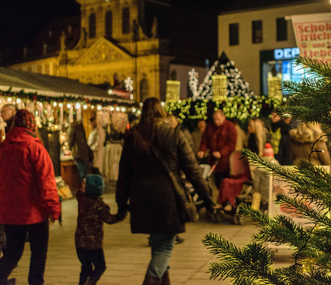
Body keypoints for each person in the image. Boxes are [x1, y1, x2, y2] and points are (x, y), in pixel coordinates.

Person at [116, 97, 214, 285]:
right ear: (161, 112)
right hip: (167, 197)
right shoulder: (173, 134)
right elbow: (193, 170)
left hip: (141, 198)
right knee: (165, 247)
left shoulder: (133, 136)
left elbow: (124, 174)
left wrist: (122, 203)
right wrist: (207, 198)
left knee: (157, 243)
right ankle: (150, 281)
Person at [0, 109, 61, 285]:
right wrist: (54, 209)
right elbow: (47, 183)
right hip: (34, 213)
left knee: (12, 253)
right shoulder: (35, 149)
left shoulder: (3, 149)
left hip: (9, 213)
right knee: (38, 253)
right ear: (31, 126)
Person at [76, 175, 126, 285]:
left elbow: (80, 190)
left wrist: (83, 184)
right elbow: (110, 219)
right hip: (94, 245)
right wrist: (122, 214)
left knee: (85, 267)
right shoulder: (101, 206)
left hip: (80, 244)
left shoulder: (81, 199)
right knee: (100, 266)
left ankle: (83, 282)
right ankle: (91, 281)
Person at [198, 110, 237, 189]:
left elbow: (231, 144)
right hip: (213, 162)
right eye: (215, 119)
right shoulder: (210, 127)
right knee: (216, 182)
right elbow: (204, 140)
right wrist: (202, 150)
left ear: (223, 117)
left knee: (224, 183)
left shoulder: (230, 127)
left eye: (218, 119)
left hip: (226, 162)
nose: (216, 121)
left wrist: (221, 153)